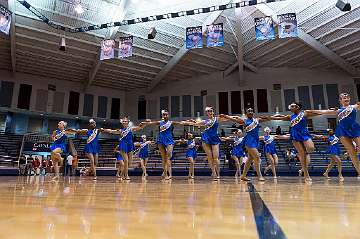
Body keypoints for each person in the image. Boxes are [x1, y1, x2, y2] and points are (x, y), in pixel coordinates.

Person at [311, 93, 360, 178]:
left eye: (347, 97)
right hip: (342, 130)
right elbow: (322, 112)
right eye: (343, 98)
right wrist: (307, 112)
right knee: (352, 154)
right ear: (340, 100)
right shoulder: (337, 111)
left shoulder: (354, 106)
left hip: (354, 128)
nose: (346, 98)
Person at [270, 102, 322, 182]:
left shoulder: (304, 113)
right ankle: (306, 174)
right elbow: (281, 117)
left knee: (311, 148)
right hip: (295, 135)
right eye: (290, 106)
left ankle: (304, 154)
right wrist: (270, 117)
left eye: (292, 106)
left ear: (297, 107)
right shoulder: (290, 116)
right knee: (302, 154)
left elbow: (319, 112)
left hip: (304, 133)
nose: (290, 107)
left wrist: (331, 111)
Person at [220, 108, 274, 181]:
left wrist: (275, 117)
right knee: (257, 157)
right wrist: (226, 116)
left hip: (255, 141)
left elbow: (268, 118)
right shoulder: (244, 121)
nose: (250, 112)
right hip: (249, 140)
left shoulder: (257, 120)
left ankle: (243, 175)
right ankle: (259, 176)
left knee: (250, 159)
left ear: (253, 113)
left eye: (252, 111)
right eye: (249, 111)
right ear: (246, 114)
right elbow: (234, 119)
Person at [184, 107, 230, 180]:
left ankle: (218, 174)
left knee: (216, 158)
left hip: (214, 138)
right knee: (210, 157)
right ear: (206, 113)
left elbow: (228, 119)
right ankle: (214, 173)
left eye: (211, 111)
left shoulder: (217, 119)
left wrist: (225, 116)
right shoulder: (205, 121)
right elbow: (195, 124)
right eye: (208, 111)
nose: (210, 112)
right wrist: (188, 122)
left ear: (213, 112)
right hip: (206, 138)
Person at [142, 110, 186, 180]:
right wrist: (146, 122)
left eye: (166, 115)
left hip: (169, 140)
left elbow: (181, 123)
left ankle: (169, 174)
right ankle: (165, 173)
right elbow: (151, 123)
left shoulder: (171, 123)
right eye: (164, 115)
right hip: (160, 140)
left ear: (168, 115)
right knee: (164, 158)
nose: (165, 116)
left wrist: (189, 121)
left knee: (168, 157)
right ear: (162, 116)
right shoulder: (160, 122)